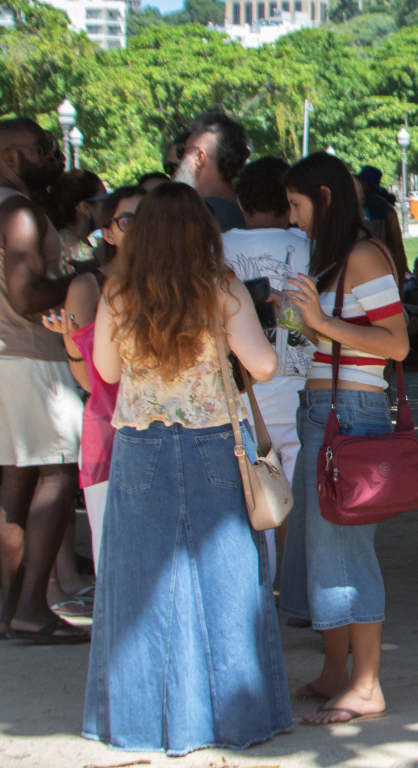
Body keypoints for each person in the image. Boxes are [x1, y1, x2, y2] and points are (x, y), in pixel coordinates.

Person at [82, 183, 291, 754]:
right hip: (213, 443)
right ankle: (237, 719)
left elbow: (104, 368)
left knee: (140, 586)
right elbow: (266, 367)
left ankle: (142, 721)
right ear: (202, 230)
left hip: (139, 447)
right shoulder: (220, 288)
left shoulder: (118, 291)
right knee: (227, 585)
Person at [276, 152, 409, 722]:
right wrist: (295, 317)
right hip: (325, 408)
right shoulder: (332, 259)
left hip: (351, 411)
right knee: (322, 549)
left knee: (346, 551)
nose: (292, 216)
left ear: (324, 198)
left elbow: (397, 343)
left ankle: (367, 684)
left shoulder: (362, 255)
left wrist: (321, 322)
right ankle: (337, 672)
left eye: (297, 204)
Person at [0, 117, 90, 643]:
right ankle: (33, 609)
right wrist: (87, 278)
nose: (56, 156)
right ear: (10, 156)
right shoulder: (19, 213)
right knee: (57, 476)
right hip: (31, 357)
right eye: (43, 148)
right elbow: (27, 295)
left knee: (15, 483)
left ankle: (13, 610)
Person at [46, 184, 144, 569]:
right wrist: (72, 343)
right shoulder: (90, 286)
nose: (139, 227)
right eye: (127, 219)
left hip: (168, 430)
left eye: (147, 217)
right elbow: (89, 382)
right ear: (108, 231)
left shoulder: (175, 285)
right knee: (114, 557)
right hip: (110, 429)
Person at [219, 159, 312, 499]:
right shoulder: (312, 247)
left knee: (258, 506)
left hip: (241, 397)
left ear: (240, 202)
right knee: (302, 506)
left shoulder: (215, 249)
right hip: (304, 393)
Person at [175, 109, 249, 231]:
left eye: (183, 151)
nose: (179, 160)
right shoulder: (252, 216)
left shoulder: (188, 217)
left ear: (199, 158)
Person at [355, 165, 410, 281]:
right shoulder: (348, 207)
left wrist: (400, 278)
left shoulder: (386, 209)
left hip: (380, 266)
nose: (370, 191)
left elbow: (398, 247)